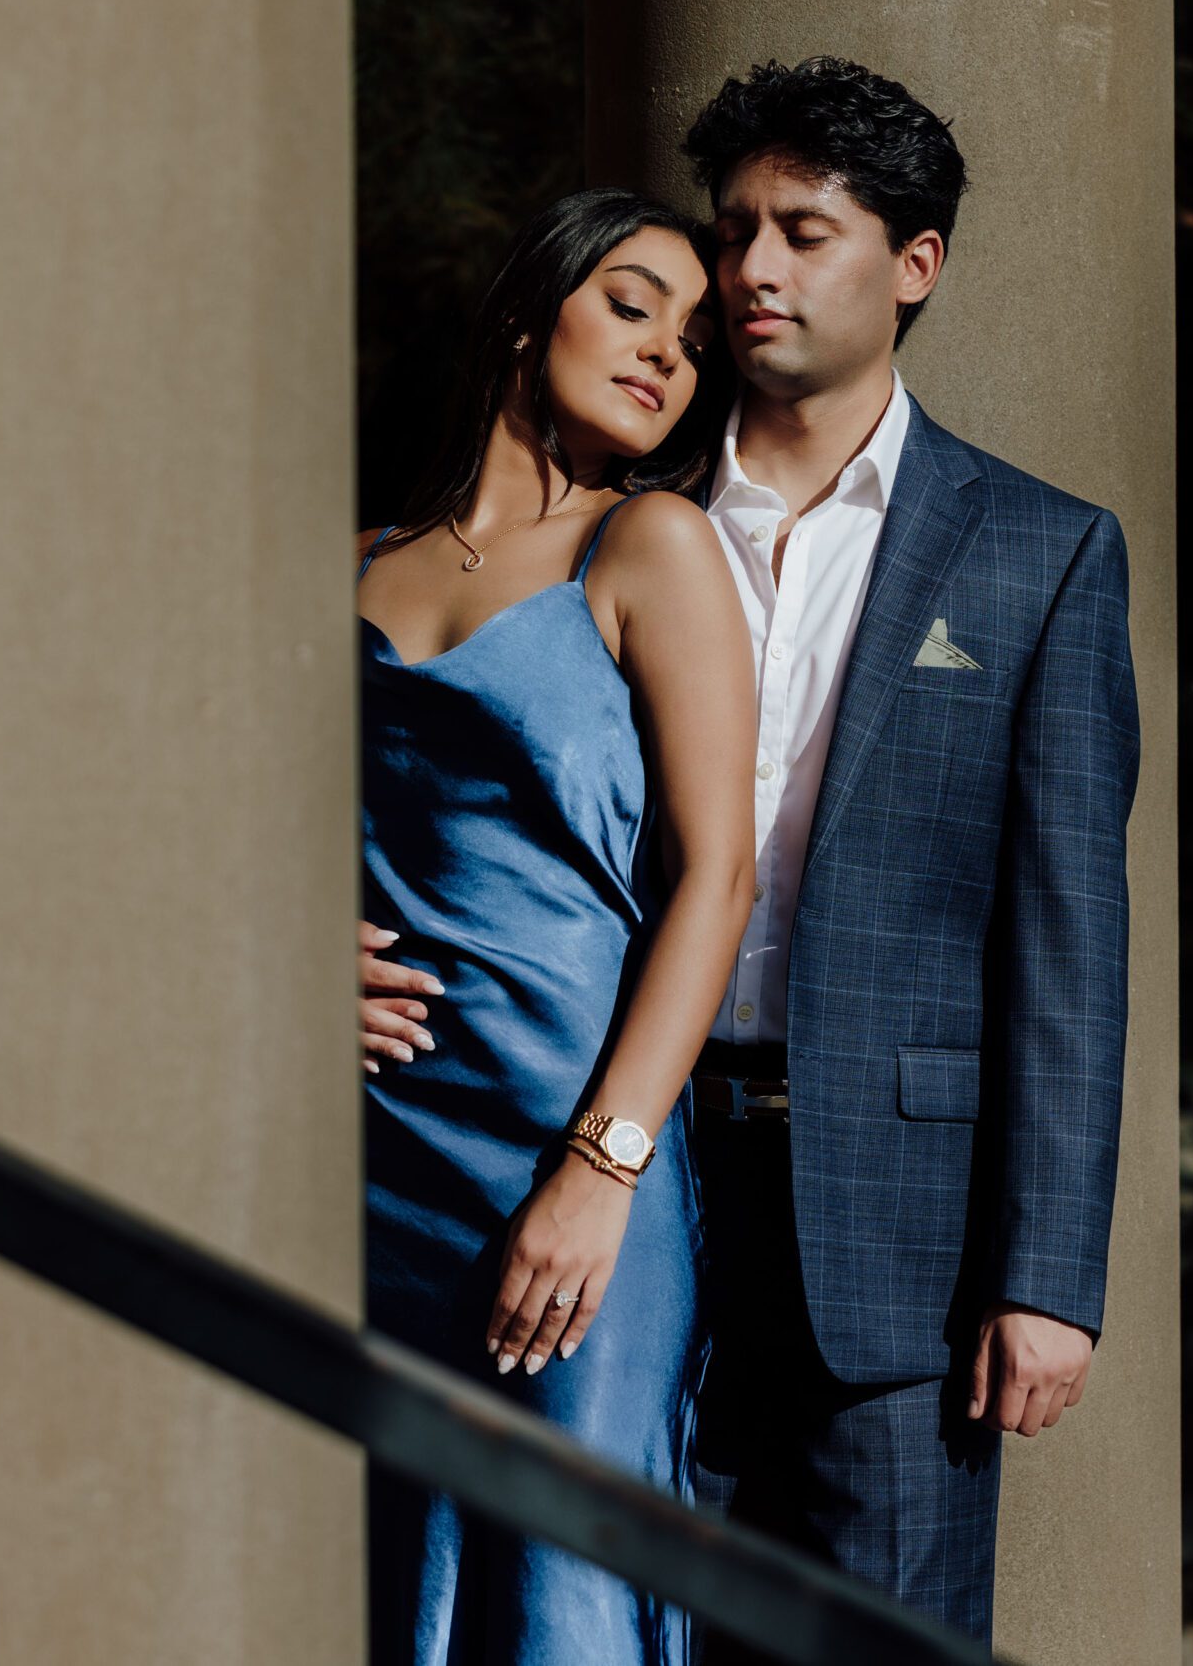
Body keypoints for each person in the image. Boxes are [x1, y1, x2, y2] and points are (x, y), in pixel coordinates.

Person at [675, 57, 1141, 1654]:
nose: (751, 270)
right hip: (638, 1192)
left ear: (914, 263)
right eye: (733, 231)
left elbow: (1071, 936)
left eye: (803, 232)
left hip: (903, 1239)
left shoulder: (1041, 550)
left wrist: (1051, 1276)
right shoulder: (619, 517)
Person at [353, 187, 754, 1666]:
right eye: (636, 304)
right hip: (378, 1157)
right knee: (382, 1560)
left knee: (564, 1582)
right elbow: (226, 824)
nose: (671, 354)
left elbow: (718, 881)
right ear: (532, 313)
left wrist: (603, 1170)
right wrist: (294, 957)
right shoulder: (348, 559)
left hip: (571, 1142)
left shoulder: (650, 544)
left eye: (697, 340)